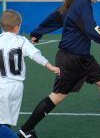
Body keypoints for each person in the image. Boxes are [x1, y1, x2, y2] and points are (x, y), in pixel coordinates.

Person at [17, 0, 100, 137]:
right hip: (70, 59)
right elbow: (94, 31)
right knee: (57, 96)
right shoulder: (81, 4)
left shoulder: (76, 1)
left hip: (83, 57)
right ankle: (25, 130)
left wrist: (38, 32)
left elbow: (56, 16)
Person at [0, 10, 60, 138]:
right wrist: (50, 66)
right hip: (16, 87)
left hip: (2, 86)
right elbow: (35, 55)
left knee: (1, 125)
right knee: (5, 122)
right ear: (16, 28)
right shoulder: (21, 41)